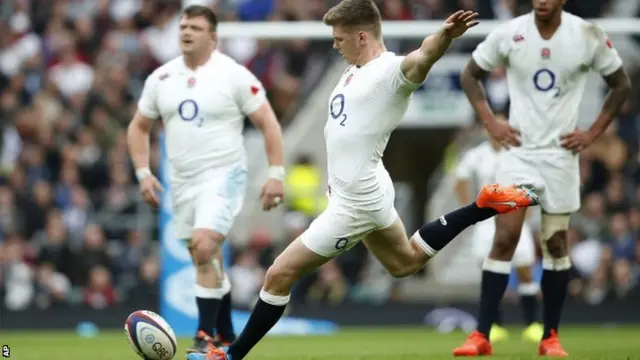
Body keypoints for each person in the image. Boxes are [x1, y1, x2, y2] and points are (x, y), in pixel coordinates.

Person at [186, 1, 540, 360]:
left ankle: (231, 356)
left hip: (356, 202)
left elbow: (421, 58)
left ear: (361, 36)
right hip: (366, 187)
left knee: (279, 273)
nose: (335, 45)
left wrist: (446, 36)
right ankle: (483, 205)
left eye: (340, 39)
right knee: (405, 262)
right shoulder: (353, 69)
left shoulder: (389, 72)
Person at [453, 0, 631, 357]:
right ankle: (481, 335)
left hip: (561, 158)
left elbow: (620, 84)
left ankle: (550, 336)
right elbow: (470, 74)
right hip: (519, 155)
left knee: (555, 245)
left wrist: (593, 133)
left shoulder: (586, 34)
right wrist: (490, 121)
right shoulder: (509, 33)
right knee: (505, 236)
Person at [126, 5, 286, 355]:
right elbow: (139, 127)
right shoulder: (161, 78)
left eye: (195, 28)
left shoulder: (234, 75)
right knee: (206, 258)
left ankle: (204, 334)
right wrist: (143, 173)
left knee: (203, 245)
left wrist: (276, 173)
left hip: (223, 173)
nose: (186, 32)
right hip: (181, 180)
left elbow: (269, 123)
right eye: (183, 26)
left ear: (213, 36)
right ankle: (226, 331)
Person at [454, 130, 543, 343]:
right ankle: (494, 325)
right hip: (486, 221)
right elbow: (459, 182)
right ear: (487, 128)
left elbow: (535, 183)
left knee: (525, 268)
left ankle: (532, 325)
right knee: (489, 272)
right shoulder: (476, 155)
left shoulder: (518, 153)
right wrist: (470, 210)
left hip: (514, 216)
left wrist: (528, 207)